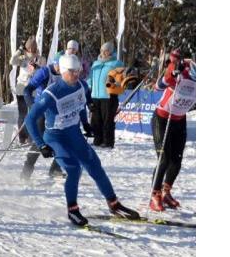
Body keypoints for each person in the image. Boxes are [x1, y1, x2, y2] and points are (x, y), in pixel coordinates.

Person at [27, 52, 142, 228]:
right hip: (56, 137)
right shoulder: (51, 93)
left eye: (78, 70)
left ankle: (114, 204)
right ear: (63, 71)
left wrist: (85, 124)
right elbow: (30, 120)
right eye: (72, 71)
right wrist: (42, 144)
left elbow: (79, 104)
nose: (76, 74)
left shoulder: (81, 85)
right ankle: (72, 209)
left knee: (95, 165)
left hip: (74, 133)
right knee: (74, 170)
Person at [149, 51, 194, 211]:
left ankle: (166, 192)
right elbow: (158, 86)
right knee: (164, 158)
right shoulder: (181, 68)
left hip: (179, 119)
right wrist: (172, 74)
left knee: (177, 160)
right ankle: (155, 194)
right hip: (162, 118)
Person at [87, 40, 124, 148]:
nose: (103, 52)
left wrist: (116, 83)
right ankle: (97, 139)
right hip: (95, 95)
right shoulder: (96, 63)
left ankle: (108, 141)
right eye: (102, 50)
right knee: (96, 119)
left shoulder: (116, 63)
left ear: (111, 52)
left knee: (107, 120)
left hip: (109, 96)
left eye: (106, 51)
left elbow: (120, 79)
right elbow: (91, 77)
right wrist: (89, 86)